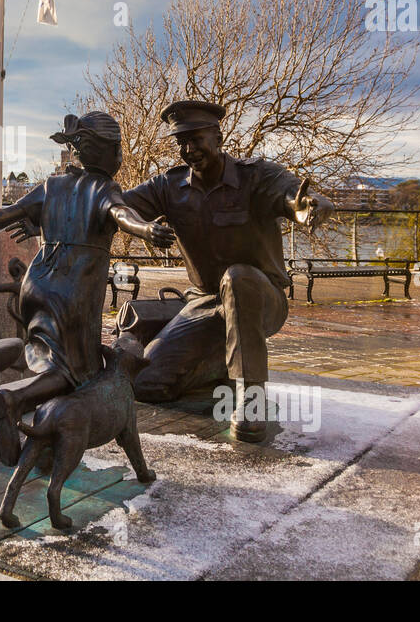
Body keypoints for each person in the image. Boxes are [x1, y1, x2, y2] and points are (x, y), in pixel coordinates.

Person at [0, 111, 174, 464]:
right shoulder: (104, 188)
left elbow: (5, 214)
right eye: (117, 149)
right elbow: (120, 214)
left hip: (36, 285)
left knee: (51, 361)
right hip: (74, 292)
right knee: (76, 372)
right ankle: (14, 402)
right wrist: (147, 231)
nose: (120, 157)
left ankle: (47, 438)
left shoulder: (53, 186)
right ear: (103, 152)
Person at [121, 100, 333, 441]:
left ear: (217, 137)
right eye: (182, 143)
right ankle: (222, 362)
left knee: (238, 278)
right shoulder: (168, 187)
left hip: (261, 297)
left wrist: (308, 206)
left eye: (196, 139)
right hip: (204, 303)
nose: (189, 150)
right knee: (147, 383)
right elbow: (117, 204)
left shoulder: (257, 176)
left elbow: (293, 196)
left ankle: (252, 400)